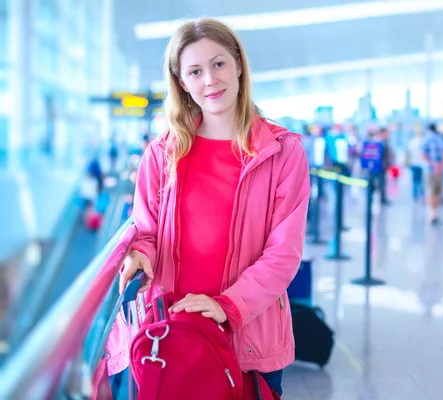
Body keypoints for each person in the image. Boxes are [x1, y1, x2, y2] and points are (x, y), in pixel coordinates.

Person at [115, 18, 310, 397]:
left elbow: (283, 254)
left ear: (238, 64)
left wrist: (228, 306)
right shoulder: (163, 154)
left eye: (219, 63)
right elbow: (147, 230)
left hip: (248, 338)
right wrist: (140, 252)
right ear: (182, 81)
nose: (210, 79)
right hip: (173, 336)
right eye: (195, 71)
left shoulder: (283, 153)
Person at [422, 123, 443, 224]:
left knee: (430, 191)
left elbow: (423, 154)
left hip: (430, 170)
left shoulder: (426, 140)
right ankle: (435, 212)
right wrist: (441, 166)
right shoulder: (442, 139)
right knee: (438, 191)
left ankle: (432, 213)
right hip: (440, 170)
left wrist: (432, 165)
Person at [407, 129, 425, 202]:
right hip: (421, 164)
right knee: (421, 180)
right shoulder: (423, 142)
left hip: (413, 163)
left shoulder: (412, 142)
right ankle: (422, 195)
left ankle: (415, 196)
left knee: (415, 180)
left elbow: (409, 153)